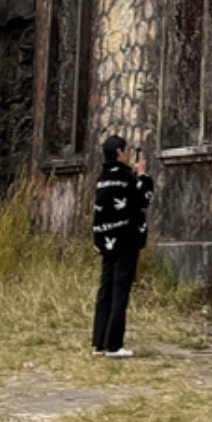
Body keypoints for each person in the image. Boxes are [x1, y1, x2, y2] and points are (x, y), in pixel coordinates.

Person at [90, 134, 153, 355]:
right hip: (125, 240)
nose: (127, 155)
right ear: (119, 153)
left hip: (106, 240)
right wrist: (142, 174)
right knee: (120, 291)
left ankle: (99, 341)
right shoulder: (127, 179)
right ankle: (114, 344)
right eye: (126, 151)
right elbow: (144, 197)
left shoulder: (102, 178)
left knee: (105, 290)